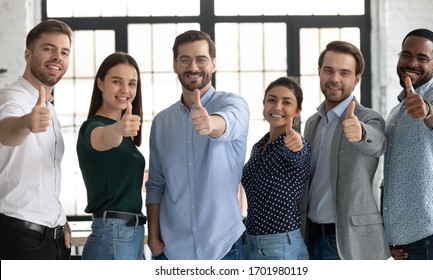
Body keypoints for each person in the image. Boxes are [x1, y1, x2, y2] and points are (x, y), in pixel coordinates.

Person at [145, 30, 250, 260]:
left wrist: (210, 123)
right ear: (175, 65)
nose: (193, 67)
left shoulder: (234, 104)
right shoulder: (162, 122)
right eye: (185, 59)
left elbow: (229, 122)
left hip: (224, 248)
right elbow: (156, 185)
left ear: (213, 64)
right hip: (172, 251)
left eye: (201, 59)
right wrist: (153, 237)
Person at [301, 41, 391, 260]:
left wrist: (360, 133)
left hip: (347, 240)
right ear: (319, 72)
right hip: (310, 236)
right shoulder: (313, 122)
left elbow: (378, 143)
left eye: (344, 73)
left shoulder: (368, 118)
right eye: (329, 70)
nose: (335, 79)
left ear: (356, 80)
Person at [383, 28, 433, 260]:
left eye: (422, 58)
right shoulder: (396, 111)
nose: (412, 63)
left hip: (431, 236)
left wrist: (427, 110)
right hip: (403, 241)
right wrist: (389, 236)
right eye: (406, 55)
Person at [0, 19, 73, 260]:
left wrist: (59, 217)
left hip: (50, 238)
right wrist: (25, 123)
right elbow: (6, 131)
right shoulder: (11, 98)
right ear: (28, 54)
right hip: (20, 237)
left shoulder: (47, 109)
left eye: (64, 52)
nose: (57, 57)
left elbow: (41, 179)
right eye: (48, 48)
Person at [76, 52, 146, 260]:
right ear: (100, 83)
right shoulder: (93, 128)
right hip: (113, 233)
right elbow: (105, 138)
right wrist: (118, 129)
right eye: (117, 81)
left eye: (132, 84)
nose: (125, 90)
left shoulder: (126, 138)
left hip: (129, 233)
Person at [241, 76, 310, 260]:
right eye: (272, 99)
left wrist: (296, 144)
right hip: (250, 242)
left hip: (280, 246)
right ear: (264, 104)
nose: (277, 106)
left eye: (286, 102)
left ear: (297, 110)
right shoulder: (259, 146)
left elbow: (298, 156)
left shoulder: (296, 144)